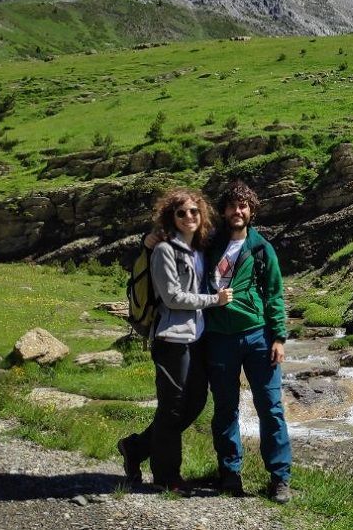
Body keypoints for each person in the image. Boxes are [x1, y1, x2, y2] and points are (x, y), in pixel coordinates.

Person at [118, 187, 233, 491]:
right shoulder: (164, 250)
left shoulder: (200, 249)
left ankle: (135, 448)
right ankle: (167, 477)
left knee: (195, 403)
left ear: (202, 214)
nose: (189, 216)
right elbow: (172, 297)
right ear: (171, 217)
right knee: (171, 408)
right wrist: (215, 300)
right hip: (171, 339)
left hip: (197, 338)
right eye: (181, 212)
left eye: (194, 211)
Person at [205, 180, 292, 504]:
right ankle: (229, 473)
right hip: (218, 337)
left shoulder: (261, 248)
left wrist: (279, 337)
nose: (237, 211)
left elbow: (275, 294)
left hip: (258, 336)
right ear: (224, 211)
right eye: (232, 206)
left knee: (270, 407)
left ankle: (280, 478)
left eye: (243, 206)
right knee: (225, 408)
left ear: (251, 211)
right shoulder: (209, 246)